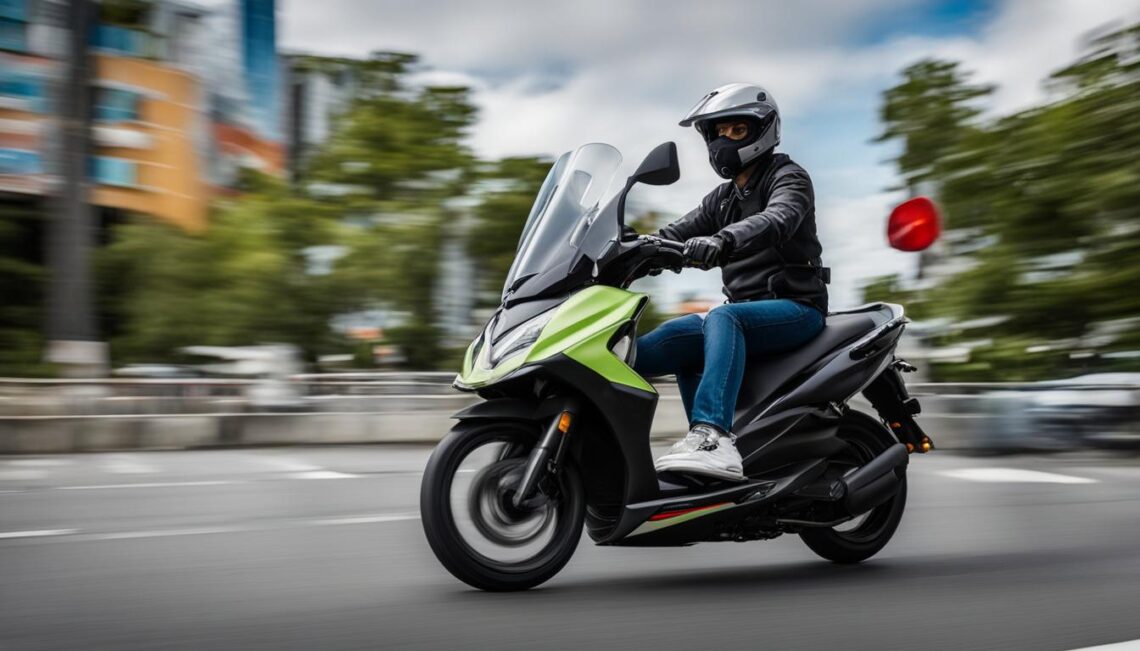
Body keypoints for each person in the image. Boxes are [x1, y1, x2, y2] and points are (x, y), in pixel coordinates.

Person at [634, 83, 829, 481]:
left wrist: (723, 240)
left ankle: (713, 436)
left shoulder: (788, 177)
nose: (724, 141)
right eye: (718, 132)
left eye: (737, 130)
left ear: (763, 131)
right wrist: (627, 250)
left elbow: (778, 218)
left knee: (720, 318)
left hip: (797, 307)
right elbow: (673, 234)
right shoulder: (722, 199)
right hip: (743, 314)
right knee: (662, 342)